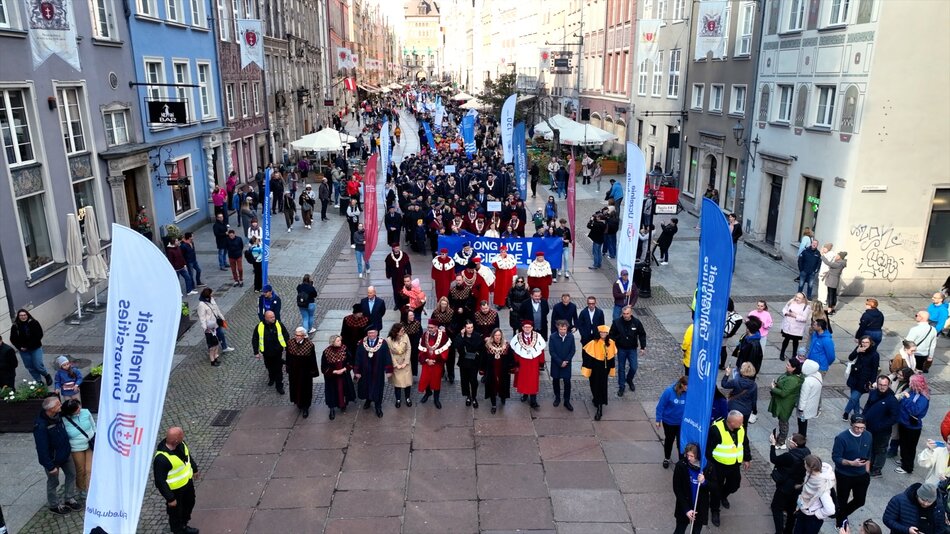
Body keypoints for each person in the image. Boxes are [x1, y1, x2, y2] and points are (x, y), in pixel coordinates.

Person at [33, 396, 80, 515]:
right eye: (58, 404)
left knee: (72, 474)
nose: (61, 406)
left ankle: (69, 498)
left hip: (65, 454)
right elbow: (41, 448)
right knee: (53, 482)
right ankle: (54, 505)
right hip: (53, 460)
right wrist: (50, 466)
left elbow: (70, 409)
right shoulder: (41, 425)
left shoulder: (58, 415)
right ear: (51, 409)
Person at [707, 410, 751, 527]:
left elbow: (744, 443)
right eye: (739, 423)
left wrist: (747, 458)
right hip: (718, 465)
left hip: (734, 464)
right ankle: (715, 510)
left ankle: (723, 495)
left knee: (734, 485)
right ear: (731, 423)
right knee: (716, 488)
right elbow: (708, 450)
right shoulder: (716, 430)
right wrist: (709, 466)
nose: (742, 425)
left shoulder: (740, 429)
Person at [153, 427, 199, 534]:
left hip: (187, 484)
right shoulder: (161, 459)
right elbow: (160, 481)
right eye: (181, 436)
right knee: (175, 513)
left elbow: (187, 457)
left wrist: (194, 468)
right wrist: (170, 498)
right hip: (175, 491)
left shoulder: (181, 445)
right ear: (176, 440)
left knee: (190, 503)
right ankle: (178, 530)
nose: (183, 437)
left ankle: (184, 525)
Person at [832, 414, 873, 529]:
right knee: (842, 500)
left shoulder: (868, 435)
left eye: (862, 427)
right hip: (844, 475)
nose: (859, 430)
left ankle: (841, 514)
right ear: (851, 425)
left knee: (860, 500)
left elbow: (868, 453)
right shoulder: (841, 438)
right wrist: (851, 463)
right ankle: (840, 521)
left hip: (862, 474)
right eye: (857, 427)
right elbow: (836, 457)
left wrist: (867, 471)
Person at [769, 433, 811, 534]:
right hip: (798, 486)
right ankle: (788, 530)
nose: (789, 441)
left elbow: (774, 459)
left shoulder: (789, 456)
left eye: (791, 440)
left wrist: (773, 444)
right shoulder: (807, 452)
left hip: (785, 487)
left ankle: (779, 531)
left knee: (776, 507)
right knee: (791, 510)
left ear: (795, 444)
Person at [863, 375, 899, 477]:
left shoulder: (892, 400)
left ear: (889, 385)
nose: (882, 387)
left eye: (885, 385)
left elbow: (894, 417)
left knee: (880, 450)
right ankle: (869, 466)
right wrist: (863, 417)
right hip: (869, 428)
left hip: (882, 432)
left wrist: (880, 426)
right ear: (877, 384)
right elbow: (868, 405)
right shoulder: (873, 393)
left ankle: (877, 470)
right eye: (880, 384)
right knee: (871, 448)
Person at [895, 373, 931, 475]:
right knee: (903, 444)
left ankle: (907, 467)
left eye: (911, 382)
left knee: (909, 447)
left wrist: (906, 399)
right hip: (904, 423)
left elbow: (915, 411)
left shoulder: (923, 397)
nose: (909, 384)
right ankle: (904, 460)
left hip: (912, 427)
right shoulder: (913, 391)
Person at [792, 455, 837, 534]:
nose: (804, 465)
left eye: (805, 464)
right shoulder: (811, 475)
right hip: (804, 511)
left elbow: (830, 510)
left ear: (810, 467)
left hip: (812, 518)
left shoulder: (822, 487)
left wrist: (816, 514)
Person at [672, 442, 710, 534]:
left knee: (696, 531)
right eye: (687, 455)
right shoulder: (681, 466)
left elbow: (715, 487)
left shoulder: (707, 467)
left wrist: (704, 482)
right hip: (685, 506)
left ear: (697, 456)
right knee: (679, 530)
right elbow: (677, 488)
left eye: (691, 456)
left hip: (699, 508)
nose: (688, 458)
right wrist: (686, 509)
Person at [355, 326, 392, 418]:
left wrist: (388, 370)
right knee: (366, 386)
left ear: (377, 333)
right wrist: (357, 371)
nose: (371, 335)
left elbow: (387, 356)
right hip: (365, 371)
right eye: (369, 333)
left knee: (378, 388)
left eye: (373, 333)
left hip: (377, 371)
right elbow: (357, 357)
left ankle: (378, 407)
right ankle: (368, 400)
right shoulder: (362, 343)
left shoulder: (382, 343)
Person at [609, 305, 647, 396]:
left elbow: (642, 334)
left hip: (632, 349)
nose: (626, 315)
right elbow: (611, 335)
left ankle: (629, 379)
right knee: (621, 368)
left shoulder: (636, 322)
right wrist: (618, 339)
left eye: (627, 313)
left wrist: (643, 347)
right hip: (621, 349)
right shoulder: (616, 322)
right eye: (624, 314)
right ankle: (621, 386)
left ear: (631, 313)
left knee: (634, 367)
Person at [61, 399, 94, 498]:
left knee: (89, 469)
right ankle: (81, 489)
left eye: (78, 406)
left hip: (89, 444)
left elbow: (94, 425)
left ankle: (89, 488)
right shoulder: (63, 419)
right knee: (81, 470)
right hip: (76, 448)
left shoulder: (86, 412)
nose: (79, 409)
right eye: (76, 409)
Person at [582, 325, 616, 421]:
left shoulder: (611, 343)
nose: (603, 334)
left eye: (605, 333)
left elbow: (612, 357)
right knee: (593, 385)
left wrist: (611, 369)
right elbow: (588, 356)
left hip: (604, 369)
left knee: (602, 386)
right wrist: (587, 368)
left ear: (607, 333)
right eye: (601, 332)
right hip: (595, 368)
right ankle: (595, 398)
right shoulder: (593, 343)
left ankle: (599, 409)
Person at [511, 320, 547, 408]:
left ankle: (533, 400)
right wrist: (516, 362)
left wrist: (541, 363)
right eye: (525, 327)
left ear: (532, 328)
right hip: (522, 362)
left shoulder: (537, 336)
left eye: (529, 327)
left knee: (533, 380)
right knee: (524, 379)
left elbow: (541, 350)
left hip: (533, 362)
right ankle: (525, 395)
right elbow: (515, 351)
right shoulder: (517, 337)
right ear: (522, 328)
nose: (527, 329)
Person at [844, 336, 880, 420]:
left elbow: (875, 369)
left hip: (864, 379)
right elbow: (850, 358)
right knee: (855, 398)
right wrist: (857, 351)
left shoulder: (875, 354)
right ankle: (857, 414)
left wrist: (872, 381)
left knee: (854, 397)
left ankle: (846, 412)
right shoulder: (859, 349)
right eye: (863, 342)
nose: (864, 344)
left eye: (866, 342)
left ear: (870, 343)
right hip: (854, 376)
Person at [252, 310, 288, 395]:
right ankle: (272, 378)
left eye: (274, 316)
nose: (273, 318)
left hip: (277, 351)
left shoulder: (279, 324)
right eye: (271, 317)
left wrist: (287, 347)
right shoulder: (259, 326)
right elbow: (255, 339)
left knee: (278, 369)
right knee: (269, 366)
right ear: (266, 318)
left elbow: (285, 335)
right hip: (266, 352)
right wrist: (256, 352)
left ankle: (279, 386)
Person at [769, 359, 803, 446]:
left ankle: (781, 441)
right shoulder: (790, 375)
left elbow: (784, 393)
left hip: (785, 404)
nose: (786, 366)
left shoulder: (793, 380)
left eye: (788, 365)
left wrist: (773, 388)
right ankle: (780, 437)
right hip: (783, 403)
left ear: (794, 368)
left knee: (783, 422)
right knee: (782, 421)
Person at [418, 319, 451, 409]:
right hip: (427, 362)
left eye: (432, 328)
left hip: (437, 363)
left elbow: (445, 350)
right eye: (428, 327)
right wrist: (426, 360)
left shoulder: (443, 336)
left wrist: (436, 360)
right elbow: (422, 350)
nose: (429, 329)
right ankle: (428, 393)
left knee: (436, 381)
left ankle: (436, 399)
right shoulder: (425, 335)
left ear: (436, 328)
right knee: (426, 379)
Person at [656, 376, 688, 468]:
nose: (689, 388)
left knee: (680, 442)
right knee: (669, 440)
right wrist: (658, 419)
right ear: (682, 385)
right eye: (687, 386)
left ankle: (681, 462)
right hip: (669, 422)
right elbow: (661, 406)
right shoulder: (669, 392)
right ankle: (667, 458)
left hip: (682, 423)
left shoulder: (689, 393)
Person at [321, 335, 356, 420]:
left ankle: (343, 404)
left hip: (344, 375)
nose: (340, 342)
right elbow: (324, 367)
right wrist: (334, 371)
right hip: (332, 378)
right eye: (338, 341)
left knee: (344, 390)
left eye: (340, 340)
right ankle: (332, 409)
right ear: (333, 342)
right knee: (332, 392)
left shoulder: (344, 348)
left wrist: (344, 369)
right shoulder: (326, 352)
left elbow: (350, 360)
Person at [286, 327, 318, 418]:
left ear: (304, 336)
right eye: (296, 335)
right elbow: (288, 356)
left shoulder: (309, 345)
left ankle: (305, 407)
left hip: (305, 372)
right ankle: (298, 402)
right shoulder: (290, 343)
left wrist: (313, 371)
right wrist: (288, 367)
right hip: (294, 371)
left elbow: (313, 359)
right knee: (295, 387)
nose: (297, 337)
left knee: (305, 389)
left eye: (299, 335)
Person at [196, 288, 232, 366]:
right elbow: (202, 318)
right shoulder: (201, 305)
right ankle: (213, 359)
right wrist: (205, 328)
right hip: (209, 326)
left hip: (216, 323)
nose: (212, 294)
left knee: (219, 336)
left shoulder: (211, 299)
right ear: (207, 294)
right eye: (211, 293)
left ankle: (219, 352)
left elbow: (217, 310)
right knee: (212, 344)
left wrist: (222, 318)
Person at [455, 320, 484, 408]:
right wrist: (462, 336)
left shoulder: (477, 336)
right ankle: (468, 396)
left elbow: (481, 348)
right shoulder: (460, 336)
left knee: (473, 380)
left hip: (474, 362)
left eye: (471, 327)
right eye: (468, 328)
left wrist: (478, 355)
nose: (470, 329)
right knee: (465, 380)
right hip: (464, 361)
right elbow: (456, 345)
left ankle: (474, 397)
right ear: (465, 328)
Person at [548, 320, 575, 411]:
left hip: (567, 364)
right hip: (556, 363)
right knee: (556, 380)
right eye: (561, 329)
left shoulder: (571, 337)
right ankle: (557, 398)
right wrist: (560, 362)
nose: (563, 331)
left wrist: (566, 361)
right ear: (558, 328)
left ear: (567, 328)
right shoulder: (552, 337)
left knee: (567, 382)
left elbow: (572, 350)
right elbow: (552, 351)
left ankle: (567, 401)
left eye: (564, 329)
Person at [780, 293, 811, 361]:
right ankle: (782, 353)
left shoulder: (806, 307)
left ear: (803, 299)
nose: (797, 299)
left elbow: (804, 318)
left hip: (797, 328)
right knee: (786, 340)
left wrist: (795, 315)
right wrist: (787, 313)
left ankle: (794, 355)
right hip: (788, 326)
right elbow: (784, 309)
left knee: (795, 342)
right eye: (797, 297)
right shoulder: (791, 301)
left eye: (799, 298)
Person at [387, 324, 413, 408]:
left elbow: (409, 348)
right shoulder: (389, 340)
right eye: (401, 330)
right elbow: (389, 353)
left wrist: (406, 362)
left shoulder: (405, 336)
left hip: (406, 362)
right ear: (396, 332)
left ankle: (408, 398)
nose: (403, 331)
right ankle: (398, 399)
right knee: (397, 383)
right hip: (396, 363)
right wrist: (396, 364)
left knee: (407, 382)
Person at [797, 359, 822, 437]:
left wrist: (801, 408)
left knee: (802, 423)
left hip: (806, 407)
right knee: (805, 422)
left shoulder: (807, 382)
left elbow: (803, 396)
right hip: (813, 404)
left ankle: (801, 436)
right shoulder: (818, 375)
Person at [385, 243, 413, 308]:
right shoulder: (389, 257)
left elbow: (408, 265)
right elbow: (387, 267)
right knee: (396, 290)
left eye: (398, 247)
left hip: (403, 276)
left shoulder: (404, 255)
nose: (397, 248)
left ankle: (406, 303)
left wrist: (409, 274)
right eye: (395, 248)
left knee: (405, 289)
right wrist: (388, 274)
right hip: (395, 277)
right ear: (393, 248)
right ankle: (397, 304)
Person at [820, 250, 847, 315]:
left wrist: (822, 256)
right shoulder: (840, 262)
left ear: (840, 257)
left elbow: (829, 263)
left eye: (837, 255)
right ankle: (832, 308)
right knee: (832, 294)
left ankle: (830, 310)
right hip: (833, 280)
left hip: (832, 280)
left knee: (831, 295)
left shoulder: (839, 263)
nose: (836, 256)